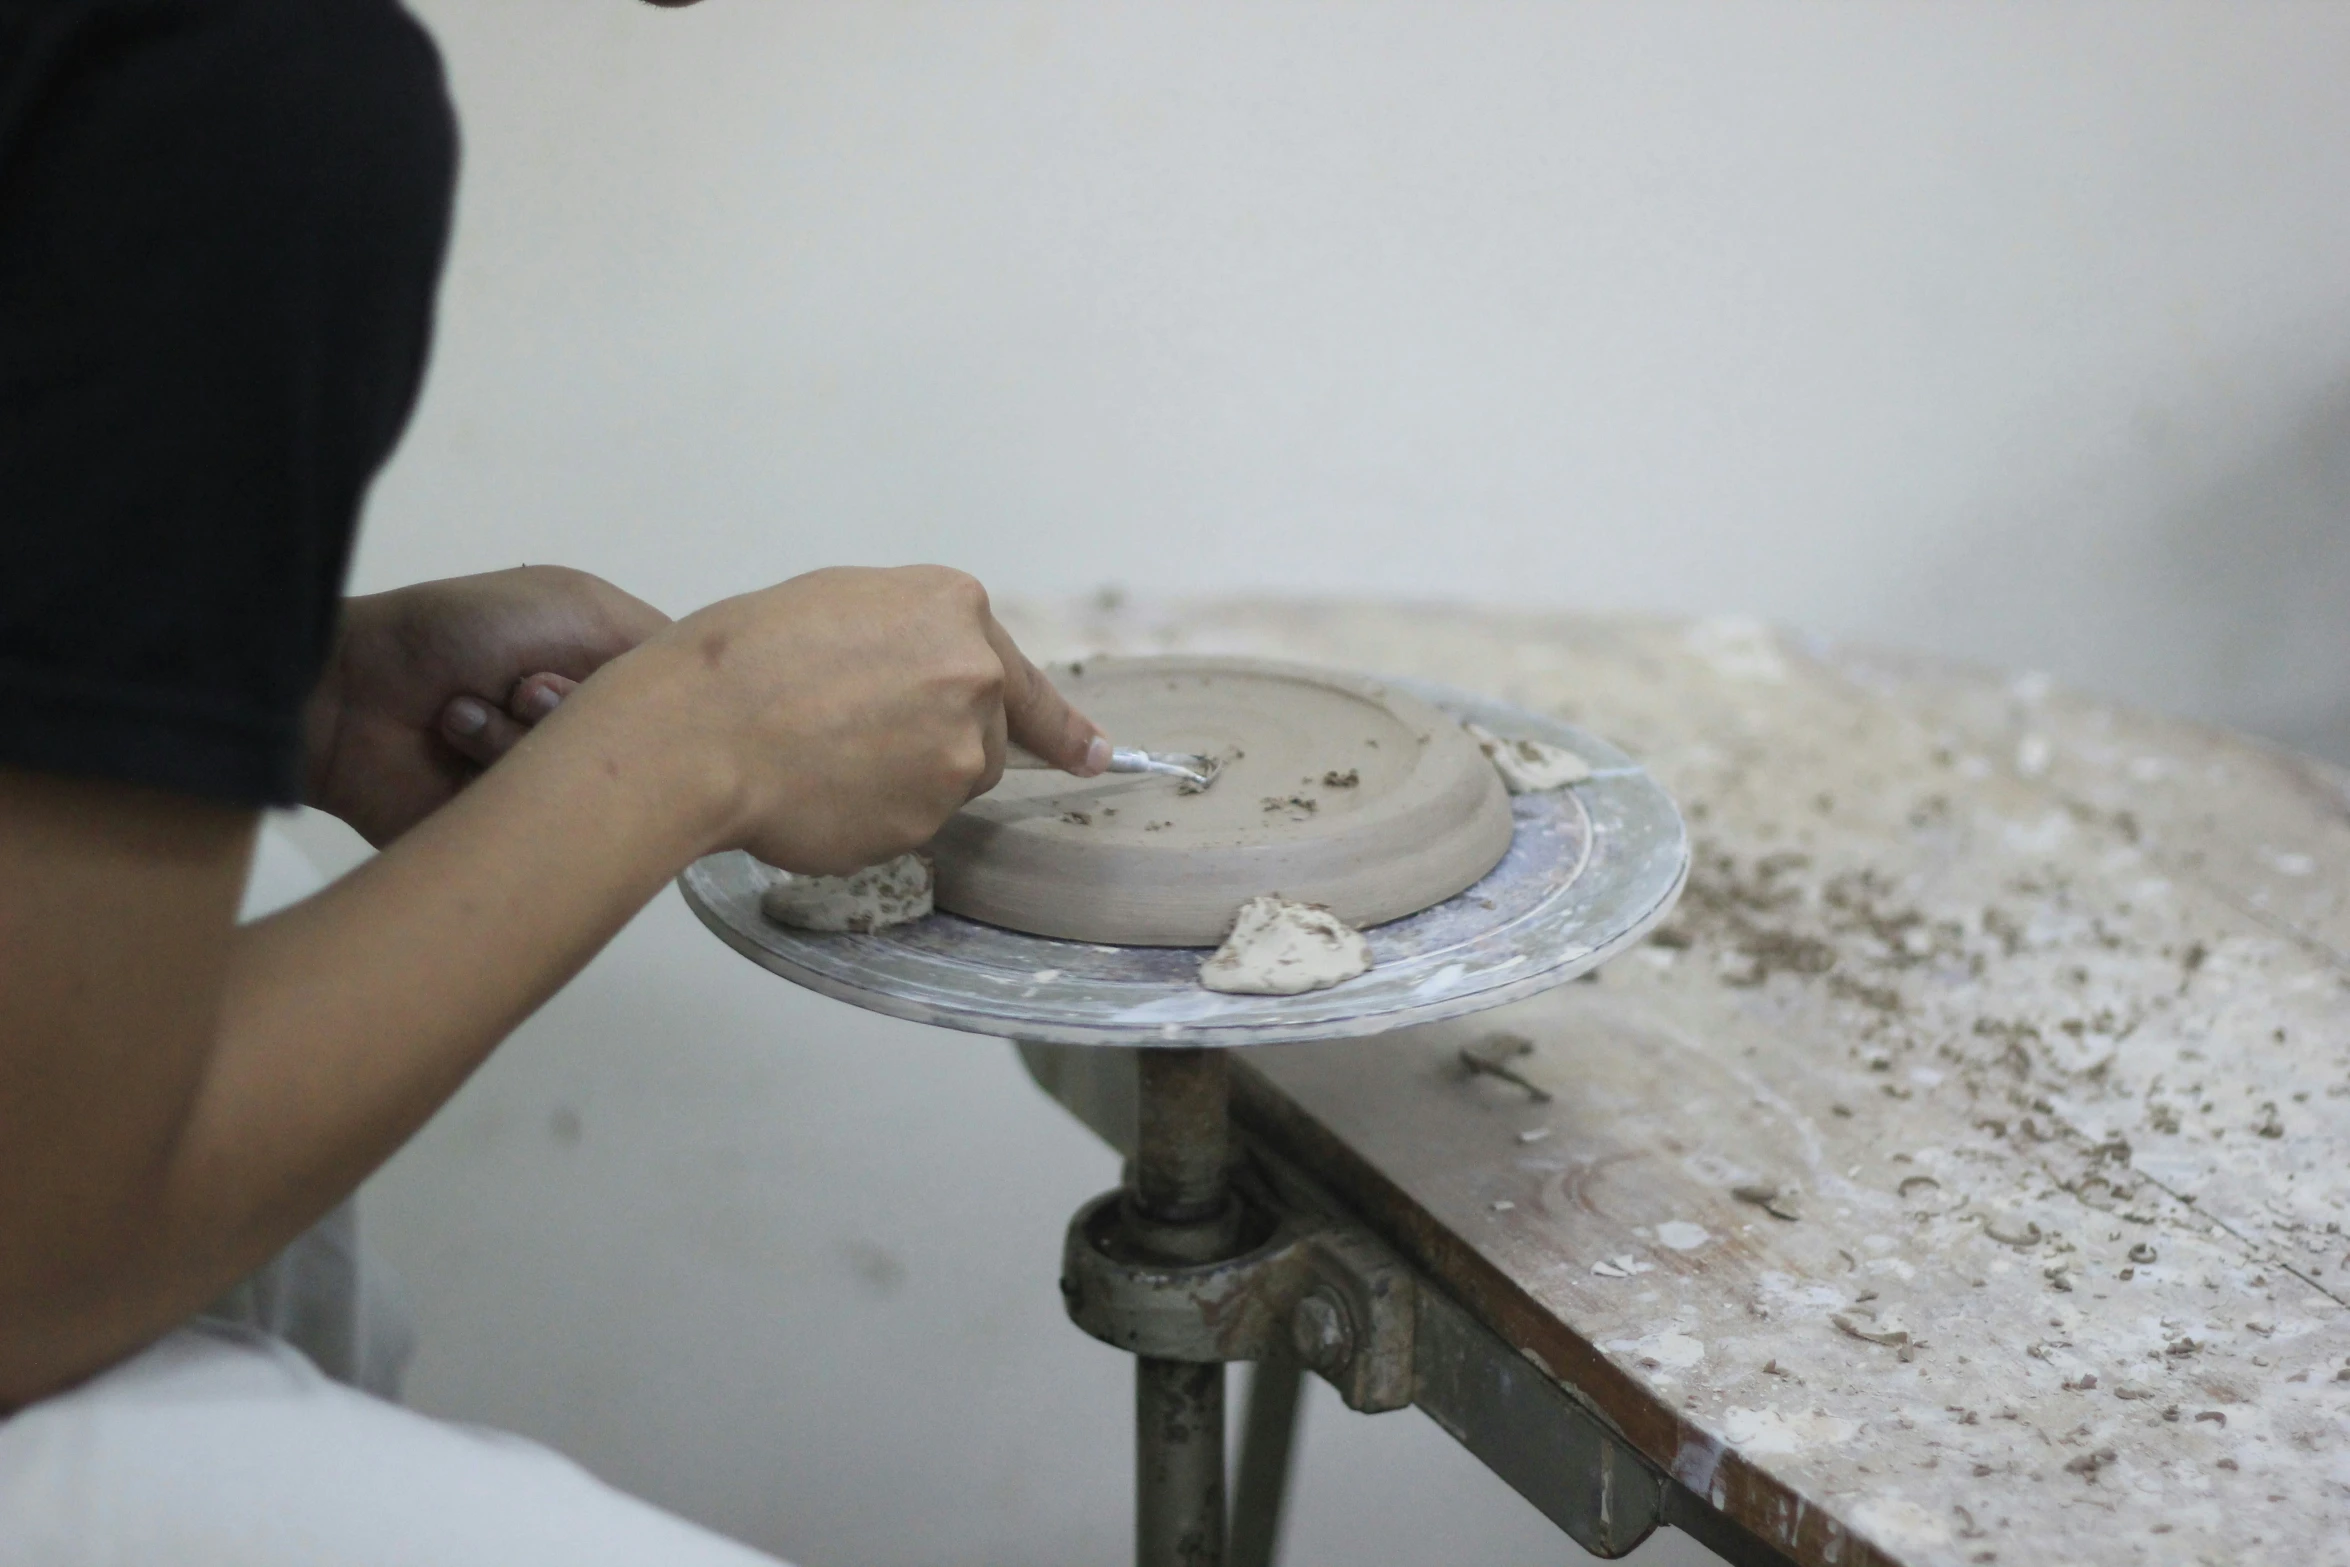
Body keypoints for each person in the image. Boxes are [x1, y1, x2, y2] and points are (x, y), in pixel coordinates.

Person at [0, 0, 1105, 1559]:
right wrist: (697, 739)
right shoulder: (225, 74)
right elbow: (30, 1264)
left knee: (247, 924)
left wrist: (285, 693)